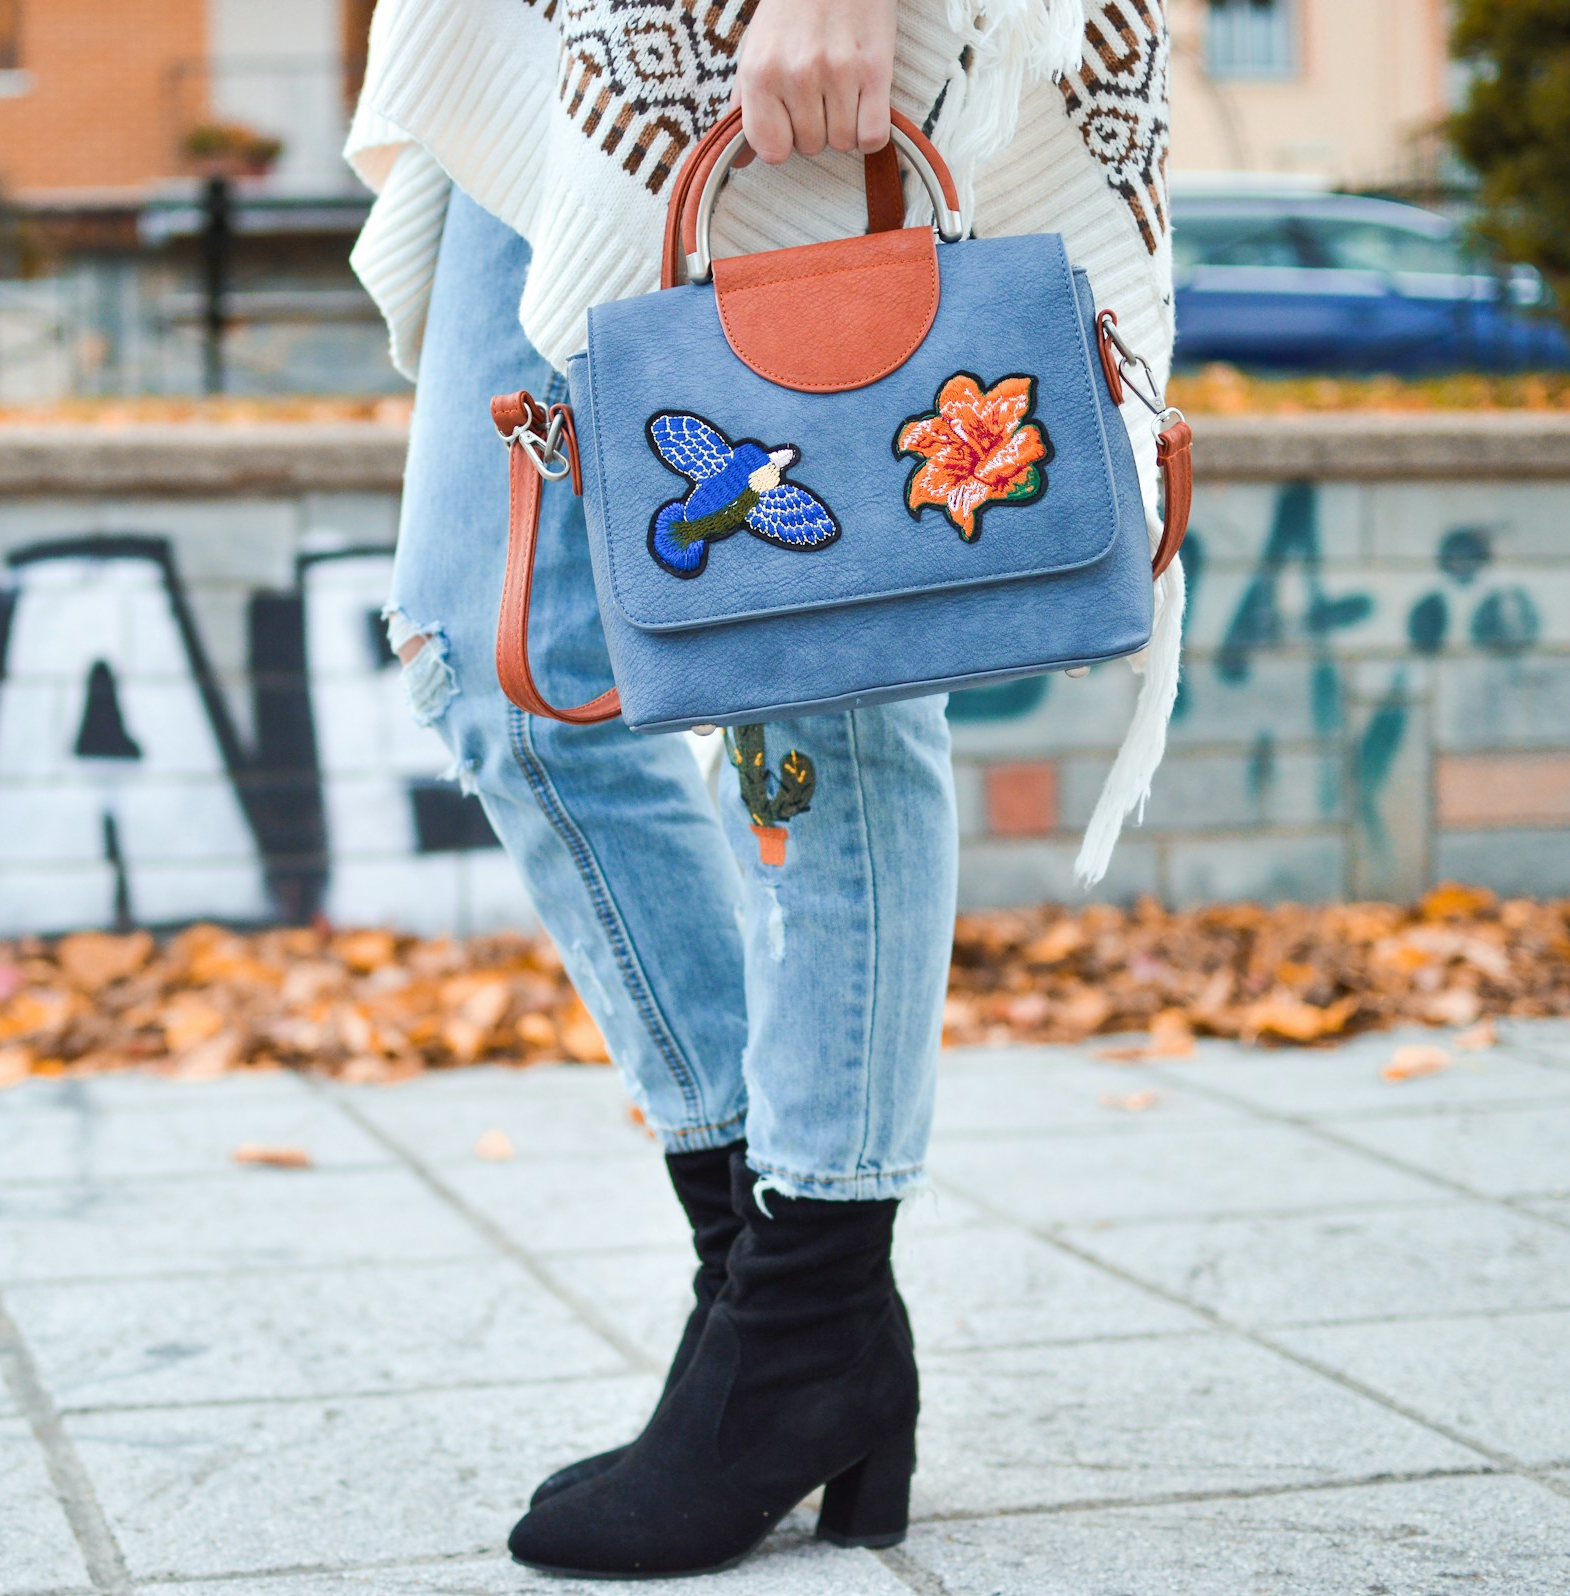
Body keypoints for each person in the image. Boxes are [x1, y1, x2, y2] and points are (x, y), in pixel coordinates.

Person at [345, 0, 1181, 1578]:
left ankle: (798, 1313)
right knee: (497, 664)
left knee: (829, 654)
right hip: (553, 31)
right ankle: (781, 1309)